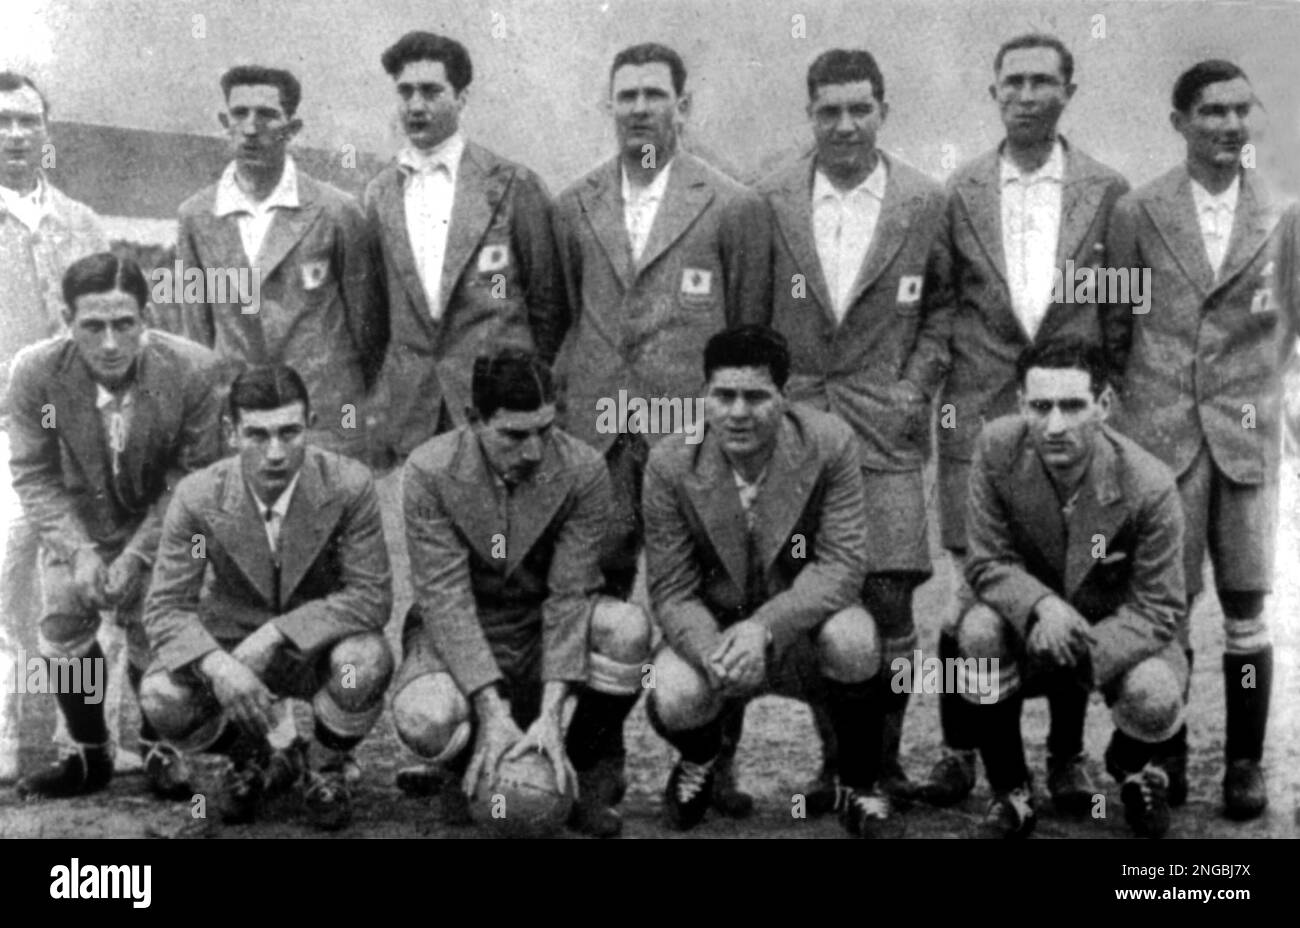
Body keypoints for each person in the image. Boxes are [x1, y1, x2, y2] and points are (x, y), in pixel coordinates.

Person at [922, 33, 1130, 811]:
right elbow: (943, 306)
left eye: (1044, 81)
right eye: (1013, 81)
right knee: (965, 602)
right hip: (979, 418)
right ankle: (956, 750)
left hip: (1072, 417)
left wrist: (1110, 412)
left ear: (1068, 91)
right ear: (994, 93)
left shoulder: (1109, 191)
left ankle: (1068, 756)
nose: (1028, 94)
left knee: (1068, 582)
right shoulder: (960, 190)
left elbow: (1119, 313)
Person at [1104, 59, 1297, 820]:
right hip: (1160, 441)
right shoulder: (1136, 208)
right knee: (1166, 608)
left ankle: (1245, 763)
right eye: (1212, 111)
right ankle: (1166, 753)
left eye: (1241, 110)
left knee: (1248, 612)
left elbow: (1291, 322)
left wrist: (1251, 393)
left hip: (1245, 441)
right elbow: (1115, 325)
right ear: (1178, 121)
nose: (1230, 125)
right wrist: (1145, 413)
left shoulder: (1283, 211)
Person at [757, 48, 948, 807]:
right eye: (829, 110)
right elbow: (748, 315)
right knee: (813, 601)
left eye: (859, 108)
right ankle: (833, 760)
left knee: (892, 598)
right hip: (795, 435)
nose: (845, 124)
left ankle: (887, 756)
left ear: (883, 111)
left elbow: (944, 309)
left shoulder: (925, 202)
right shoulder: (767, 200)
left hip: (885, 432)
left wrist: (912, 388)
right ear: (809, 115)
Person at [642, 325, 893, 837]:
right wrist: (714, 652)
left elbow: (842, 565)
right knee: (672, 688)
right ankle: (702, 760)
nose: (738, 412)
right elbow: (671, 590)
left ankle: (860, 784)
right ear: (704, 396)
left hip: (800, 631)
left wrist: (765, 629)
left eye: (756, 396)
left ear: (784, 396)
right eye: (724, 396)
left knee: (855, 636)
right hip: (718, 637)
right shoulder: (670, 460)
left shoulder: (829, 441)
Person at [392, 348, 650, 837]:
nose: (533, 451)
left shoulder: (585, 469)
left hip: (539, 626)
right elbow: (444, 598)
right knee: (423, 716)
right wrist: (491, 711)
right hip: (463, 625)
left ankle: (585, 766)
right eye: (514, 434)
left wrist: (552, 714)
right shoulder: (428, 470)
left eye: (544, 430)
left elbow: (569, 596)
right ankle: (469, 764)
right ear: (473, 420)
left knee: (628, 628)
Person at [550, 42, 771, 602]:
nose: (640, 108)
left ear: (683, 105)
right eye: (627, 96)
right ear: (610, 106)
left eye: (655, 95)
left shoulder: (731, 204)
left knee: (707, 592)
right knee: (594, 595)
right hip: (600, 432)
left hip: (690, 429)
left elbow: (748, 333)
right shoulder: (574, 203)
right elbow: (561, 318)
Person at [139, 364, 394, 830]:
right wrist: (219, 667)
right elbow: (166, 607)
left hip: (316, 647)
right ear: (230, 433)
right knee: (161, 697)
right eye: (257, 435)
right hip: (233, 648)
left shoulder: (348, 484)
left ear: (310, 424)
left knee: (365, 664)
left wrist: (278, 632)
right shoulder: (198, 496)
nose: (275, 452)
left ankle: (324, 763)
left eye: (289, 432)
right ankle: (253, 754)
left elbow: (371, 595)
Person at [7, 252, 222, 797]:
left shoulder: (193, 370)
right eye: (93, 326)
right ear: (65, 319)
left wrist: (140, 554)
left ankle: (158, 747)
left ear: (146, 320)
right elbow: (33, 472)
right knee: (60, 621)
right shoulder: (34, 371)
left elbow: (192, 478)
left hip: (162, 521)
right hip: (78, 520)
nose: (109, 343)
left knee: (161, 623)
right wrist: (76, 550)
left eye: (124, 324)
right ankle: (89, 752)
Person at [958, 338, 1189, 838]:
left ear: (1103, 406)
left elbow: (1160, 608)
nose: (1055, 425)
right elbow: (986, 560)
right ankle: (1011, 790)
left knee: (1156, 692)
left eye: (1072, 406)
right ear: (1021, 404)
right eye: (1040, 407)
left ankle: (1129, 766)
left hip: (1113, 638)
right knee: (975, 627)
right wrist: (1041, 607)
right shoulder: (996, 447)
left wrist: (1076, 647)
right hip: (1030, 628)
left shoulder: (1149, 483)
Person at [365, 31, 566, 464]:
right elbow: (377, 313)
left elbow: (548, 305)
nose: (416, 105)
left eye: (431, 91)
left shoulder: (513, 184)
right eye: (406, 92)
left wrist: (526, 384)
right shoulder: (379, 194)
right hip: (414, 411)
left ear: (461, 98)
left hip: (500, 408)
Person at [177, 66, 385, 462]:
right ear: (225, 122)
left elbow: (368, 329)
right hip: (242, 422)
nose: (251, 128)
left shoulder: (336, 211)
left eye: (267, 115)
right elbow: (198, 335)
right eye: (239, 114)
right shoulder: (196, 216)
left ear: (292, 127)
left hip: (324, 421)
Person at [0, 70, 113, 783]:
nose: (14, 136)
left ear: (47, 131)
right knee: (6, 584)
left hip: (81, 441)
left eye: (26, 121)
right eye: (1, 122)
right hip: (2, 440)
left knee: (88, 584)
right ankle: (16, 742)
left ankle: (99, 740)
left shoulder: (82, 221)